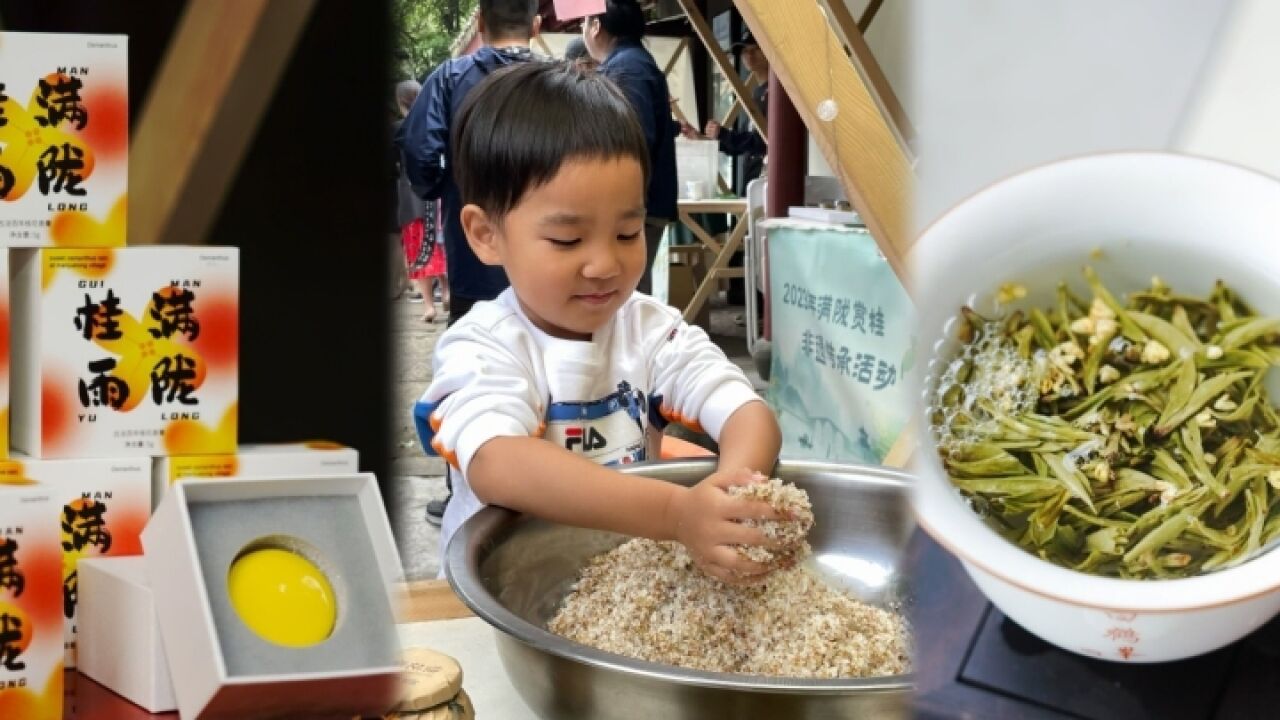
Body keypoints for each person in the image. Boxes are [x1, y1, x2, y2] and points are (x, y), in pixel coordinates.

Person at [413, 62, 785, 584]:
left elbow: (746, 411)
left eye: (628, 233)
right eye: (568, 240)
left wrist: (731, 496)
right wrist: (677, 515)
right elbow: (498, 462)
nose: (605, 264)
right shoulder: (485, 346)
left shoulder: (650, 330)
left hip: (631, 578)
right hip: (516, 583)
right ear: (485, 234)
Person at [397, 0, 543, 523]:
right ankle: (552, 485)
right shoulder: (557, 83)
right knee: (551, 363)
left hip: (475, 251)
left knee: (471, 371)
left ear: (479, 24)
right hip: (547, 257)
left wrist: (447, 190)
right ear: (537, 25)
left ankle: (469, 490)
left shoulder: (451, 77)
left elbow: (420, 150)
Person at [582, 0, 677, 296]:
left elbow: (631, 144)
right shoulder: (631, 63)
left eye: (584, 23)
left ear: (597, 26)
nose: (582, 30)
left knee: (627, 293)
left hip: (635, 206)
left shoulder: (627, 68)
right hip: (639, 204)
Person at [393, 79, 449, 322]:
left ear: (399, 101)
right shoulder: (436, 124)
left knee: (417, 249)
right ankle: (447, 291)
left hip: (410, 196)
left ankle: (428, 306)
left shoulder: (398, 129)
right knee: (439, 245)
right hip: (437, 197)